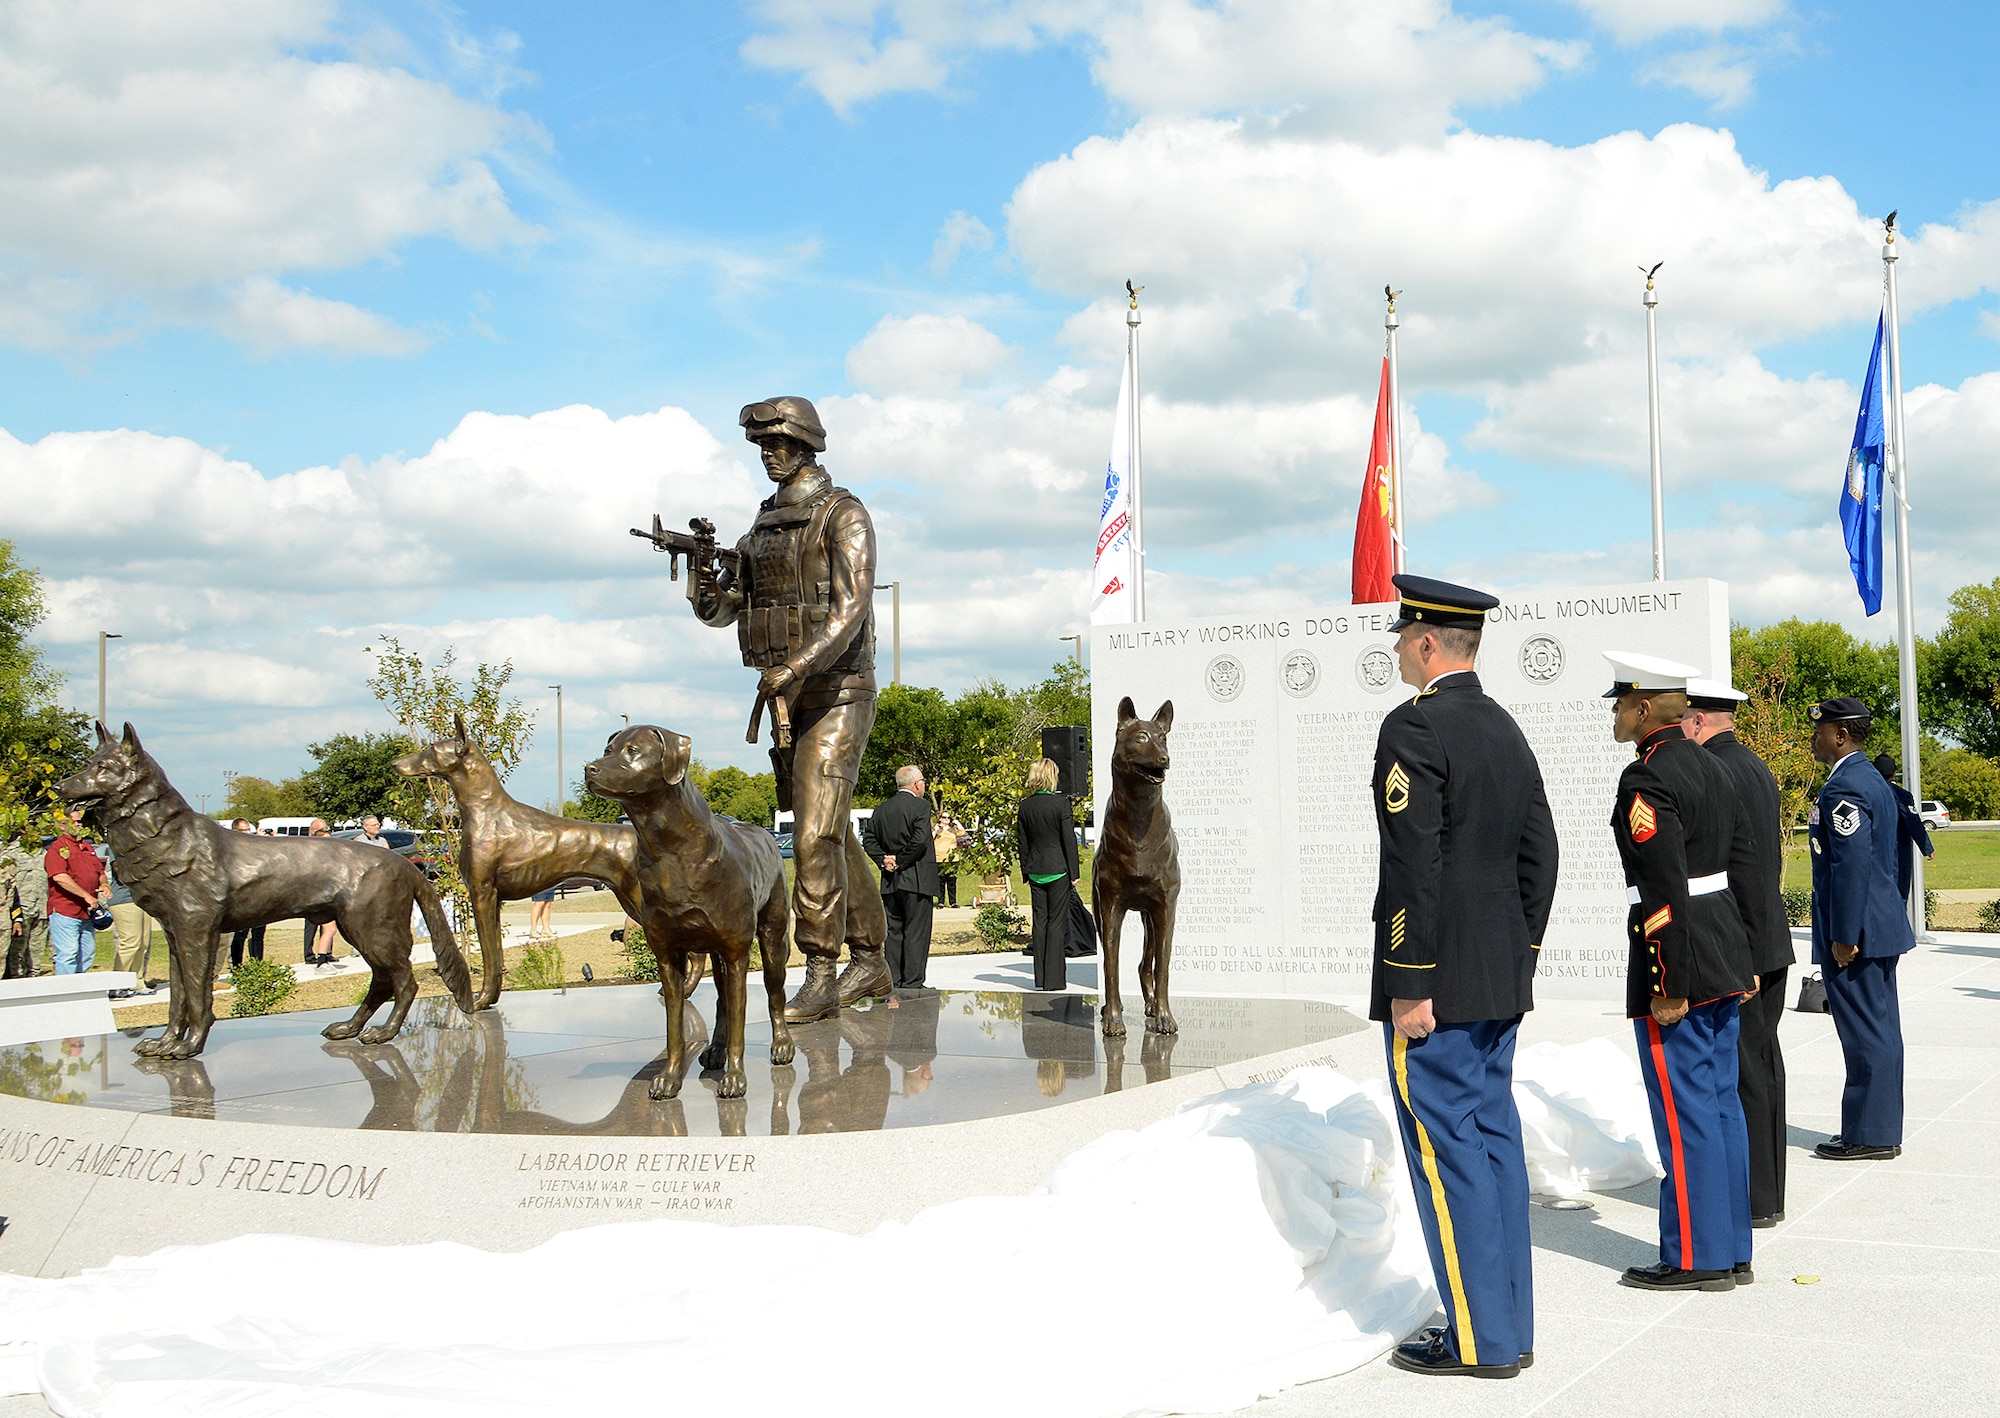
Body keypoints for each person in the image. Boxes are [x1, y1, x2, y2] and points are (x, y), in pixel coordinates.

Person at [1372, 575, 1559, 1380]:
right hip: (1496, 975)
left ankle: (1478, 1341)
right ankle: (1508, 1326)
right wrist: (1521, 951)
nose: (1400, 654)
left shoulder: (1414, 729)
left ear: (1425, 643)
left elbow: (1412, 864)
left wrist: (1408, 980)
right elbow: (1540, 856)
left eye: (1402, 640)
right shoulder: (1506, 727)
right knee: (1493, 1145)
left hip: (1436, 983)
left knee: (1449, 1154)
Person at [683, 396, 890, 1021]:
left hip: (839, 691)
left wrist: (795, 667)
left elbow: (849, 610)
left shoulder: (844, 516)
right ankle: (871, 957)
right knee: (827, 830)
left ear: (807, 446)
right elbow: (725, 611)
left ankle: (822, 970)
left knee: (812, 832)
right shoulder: (761, 527)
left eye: (780, 444)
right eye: (762, 446)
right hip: (789, 698)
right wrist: (701, 580)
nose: (770, 454)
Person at [1605, 651, 1755, 1293]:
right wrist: (1745, 959)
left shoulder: (1648, 779)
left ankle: (1696, 1257)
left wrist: (1668, 984)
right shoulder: (1712, 766)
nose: (1613, 713)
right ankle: (1731, 1247)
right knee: (1721, 1105)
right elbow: (1742, 869)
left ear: (1644, 709)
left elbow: (1664, 888)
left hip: (1683, 959)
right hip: (1724, 946)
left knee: (1685, 1112)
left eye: (1619, 702)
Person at [1683, 678, 1796, 1228]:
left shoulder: (1718, 771)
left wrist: (1743, 955)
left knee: (1744, 1069)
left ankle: (1751, 1196)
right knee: (1763, 1065)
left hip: (1746, 944)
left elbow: (1743, 872)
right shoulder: (1752, 765)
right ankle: (1766, 1194)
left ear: (1699, 721)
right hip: (1768, 937)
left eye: (1684, 719)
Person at [1810, 698, 1915, 1161]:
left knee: (1866, 1033)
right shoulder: (1872, 779)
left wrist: (1845, 933)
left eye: (1820, 731)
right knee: (1881, 1028)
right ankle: (1876, 1127)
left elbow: (1850, 865)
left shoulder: (1845, 788)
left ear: (1840, 736)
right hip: (1879, 924)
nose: (1814, 739)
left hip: (1859, 934)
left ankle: (1870, 1135)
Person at [865, 765, 939, 993]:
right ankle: (913, 982)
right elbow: (920, 840)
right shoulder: (921, 807)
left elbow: (868, 840)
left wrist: (884, 860)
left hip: (890, 881)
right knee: (916, 932)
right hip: (916, 879)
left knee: (894, 933)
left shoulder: (881, 810)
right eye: (923, 782)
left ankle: (894, 979)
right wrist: (900, 860)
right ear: (917, 784)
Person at [1017, 759, 1081, 992]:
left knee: (1040, 922)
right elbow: (1068, 839)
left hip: (1035, 871)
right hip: (1058, 870)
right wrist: (1074, 872)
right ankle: (1054, 980)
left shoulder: (1025, 806)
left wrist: (1025, 871)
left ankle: (1040, 978)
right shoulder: (1061, 804)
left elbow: (1022, 843)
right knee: (1056, 924)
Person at [45, 808, 108, 975]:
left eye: (79, 821)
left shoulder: (86, 846)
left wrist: (105, 885)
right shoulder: (58, 848)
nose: (78, 824)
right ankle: (65, 995)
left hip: (87, 911)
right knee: (68, 954)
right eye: (74, 822)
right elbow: (59, 877)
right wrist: (86, 895)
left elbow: (100, 872)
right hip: (66, 911)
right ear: (63, 826)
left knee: (87, 954)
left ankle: (79, 992)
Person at [1872, 753, 1935, 904]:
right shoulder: (1901, 796)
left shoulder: (1867, 794)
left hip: (1872, 855)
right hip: (1897, 855)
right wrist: (1927, 847)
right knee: (1898, 900)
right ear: (1894, 773)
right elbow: (1913, 822)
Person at [99, 840, 156, 997]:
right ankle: (116, 985)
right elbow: (119, 870)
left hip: (142, 899)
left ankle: (137, 982)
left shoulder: (143, 845)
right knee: (130, 942)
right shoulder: (118, 844)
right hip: (124, 899)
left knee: (143, 943)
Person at [3, 829, 49, 978]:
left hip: (41, 908)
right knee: (17, 952)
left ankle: (33, 978)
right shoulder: (10, 854)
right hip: (21, 910)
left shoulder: (44, 852)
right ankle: (16, 981)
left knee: (36, 951)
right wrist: (15, 915)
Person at [225, 819, 265, 969]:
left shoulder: (254, 846)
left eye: (249, 830)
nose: (248, 833)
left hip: (259, 894)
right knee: (240, 935)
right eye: (244, 831)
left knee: (258, 934)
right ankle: (237, 968)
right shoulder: (231, 849)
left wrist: (261, 840)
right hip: (242, 896)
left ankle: (257, 966)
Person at [303, 820, 340, 967]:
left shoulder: (330, 857)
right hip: (314, 895)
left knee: (329, 928)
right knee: (313, 925)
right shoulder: (310, 853)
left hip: (328, 895)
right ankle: (311, 955)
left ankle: (325, 955)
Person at [932, 812, 961, 908]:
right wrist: (935, 830)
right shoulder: (937, 830)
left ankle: (953, 902)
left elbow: (962, 833)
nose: (946, 819)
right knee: (940, 881)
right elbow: (929, 839)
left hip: (953, 858)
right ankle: (941, 902)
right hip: (939, 858)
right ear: (940, 819)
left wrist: (957, 823)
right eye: (944, 817)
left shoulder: (953, 830)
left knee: (952, 881)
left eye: (948, 818)